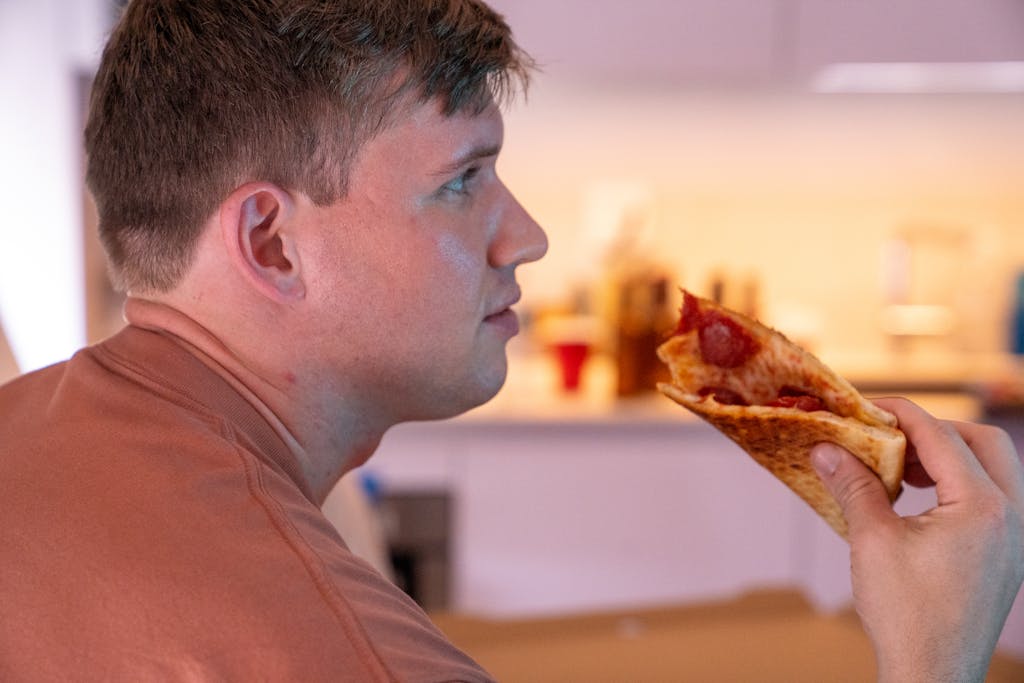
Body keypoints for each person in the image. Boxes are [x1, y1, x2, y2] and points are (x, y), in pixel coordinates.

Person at [0, 0, 1019, 680]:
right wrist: (936, 656)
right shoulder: (347, 650)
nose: (526, 235)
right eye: (460, 181)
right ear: (271, 241)